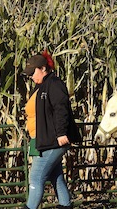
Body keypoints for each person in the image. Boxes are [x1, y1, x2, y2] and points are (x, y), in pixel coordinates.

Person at [22, 50, 80, 209]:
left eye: (32, 72)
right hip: (43, 139)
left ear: (43, 68)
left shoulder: (54, 84)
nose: (31, 77)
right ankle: (65, 205)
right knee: (56, 176)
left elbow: (61, 109)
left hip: (53, 141)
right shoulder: (41, 86)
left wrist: (61, 133)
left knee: (36, 178)